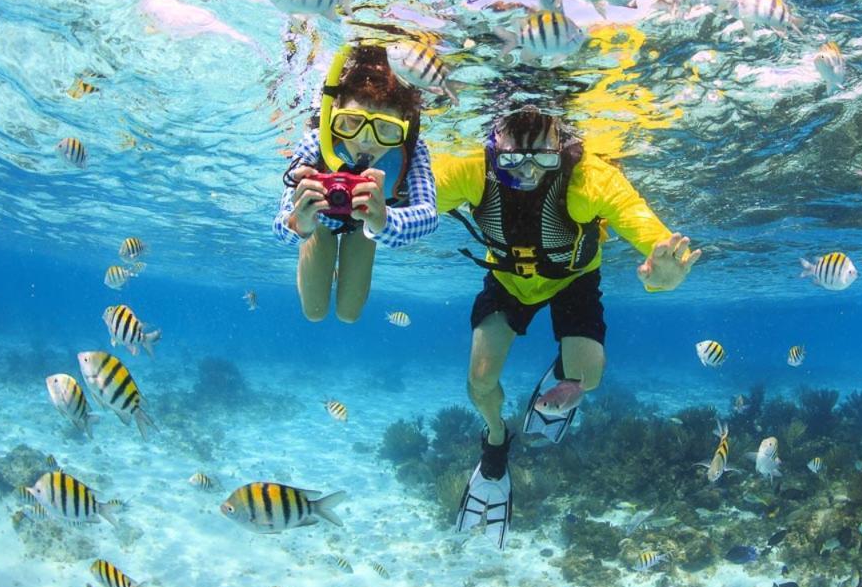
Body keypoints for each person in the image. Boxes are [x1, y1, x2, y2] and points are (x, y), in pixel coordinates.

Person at [435, 106, 701, 548]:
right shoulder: (470, 172)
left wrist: (665, 273)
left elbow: (645, 227)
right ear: (492, 146)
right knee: (480, 382)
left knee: (589, 378)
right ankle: (496, 443)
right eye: (513, 160)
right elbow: (416, 195)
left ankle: (562, 381)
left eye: (543, 158)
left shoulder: (589, 179)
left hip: (573, 280)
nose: (528, 172)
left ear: (563, 147)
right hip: (507, 283)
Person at [273, 42, 438, 322]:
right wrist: (298, 222)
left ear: (404, 125)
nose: (365, 140)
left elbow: (429, 215)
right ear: (333, 114)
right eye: (351, 122)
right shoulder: (316, 141)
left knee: (349, 314)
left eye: (386, 129)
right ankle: (327, 254)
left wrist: (382, 221)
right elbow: (279, 226)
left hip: (366, 226)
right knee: (313, 312)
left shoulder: (413, 149)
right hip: (320, 226)